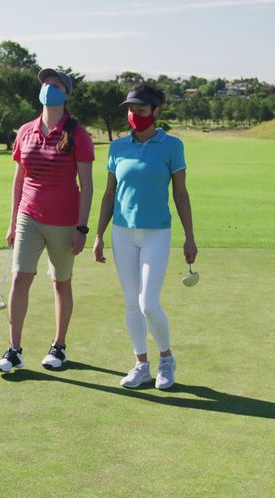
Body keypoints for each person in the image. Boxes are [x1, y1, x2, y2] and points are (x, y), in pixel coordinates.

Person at [92, 84, 197, 390]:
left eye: (140, 109)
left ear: (156, 111)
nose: (134, 114)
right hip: (122, 233)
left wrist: (190, 236)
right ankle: (141, 364)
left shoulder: (172, 146)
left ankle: (166, 360)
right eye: (130, 109)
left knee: (148, 302)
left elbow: (181, 193)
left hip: (156, 234)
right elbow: (109, 195)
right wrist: (98, 234)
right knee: (130, 303)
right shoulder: (117, 148)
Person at [0, 68, 95, 373]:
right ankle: (14, 350)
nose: (49, 88)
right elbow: (19, 179)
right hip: (29, 217)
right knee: (20, 278)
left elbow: (86, 185)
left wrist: (81, 228)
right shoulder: (25, 131)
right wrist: (13, 222)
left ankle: (58, 346)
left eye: (56, 85)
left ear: (67, 94)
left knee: (60, 282)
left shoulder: (77, 134)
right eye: (46, 84)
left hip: (65, 222)